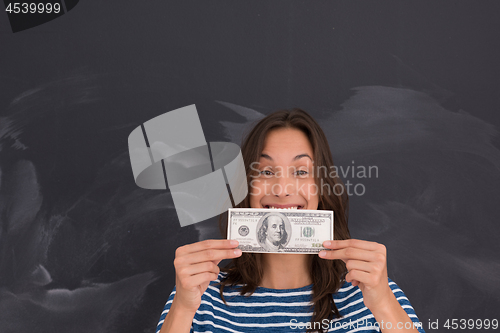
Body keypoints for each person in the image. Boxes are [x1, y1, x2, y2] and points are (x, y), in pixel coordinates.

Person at [156, 109, 425, 333]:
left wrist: (383, 305)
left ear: (322, 187)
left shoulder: (371, 289)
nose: (282, 189)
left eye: (300, 171)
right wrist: (182, 308)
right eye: (266, 171)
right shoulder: (200, 295)